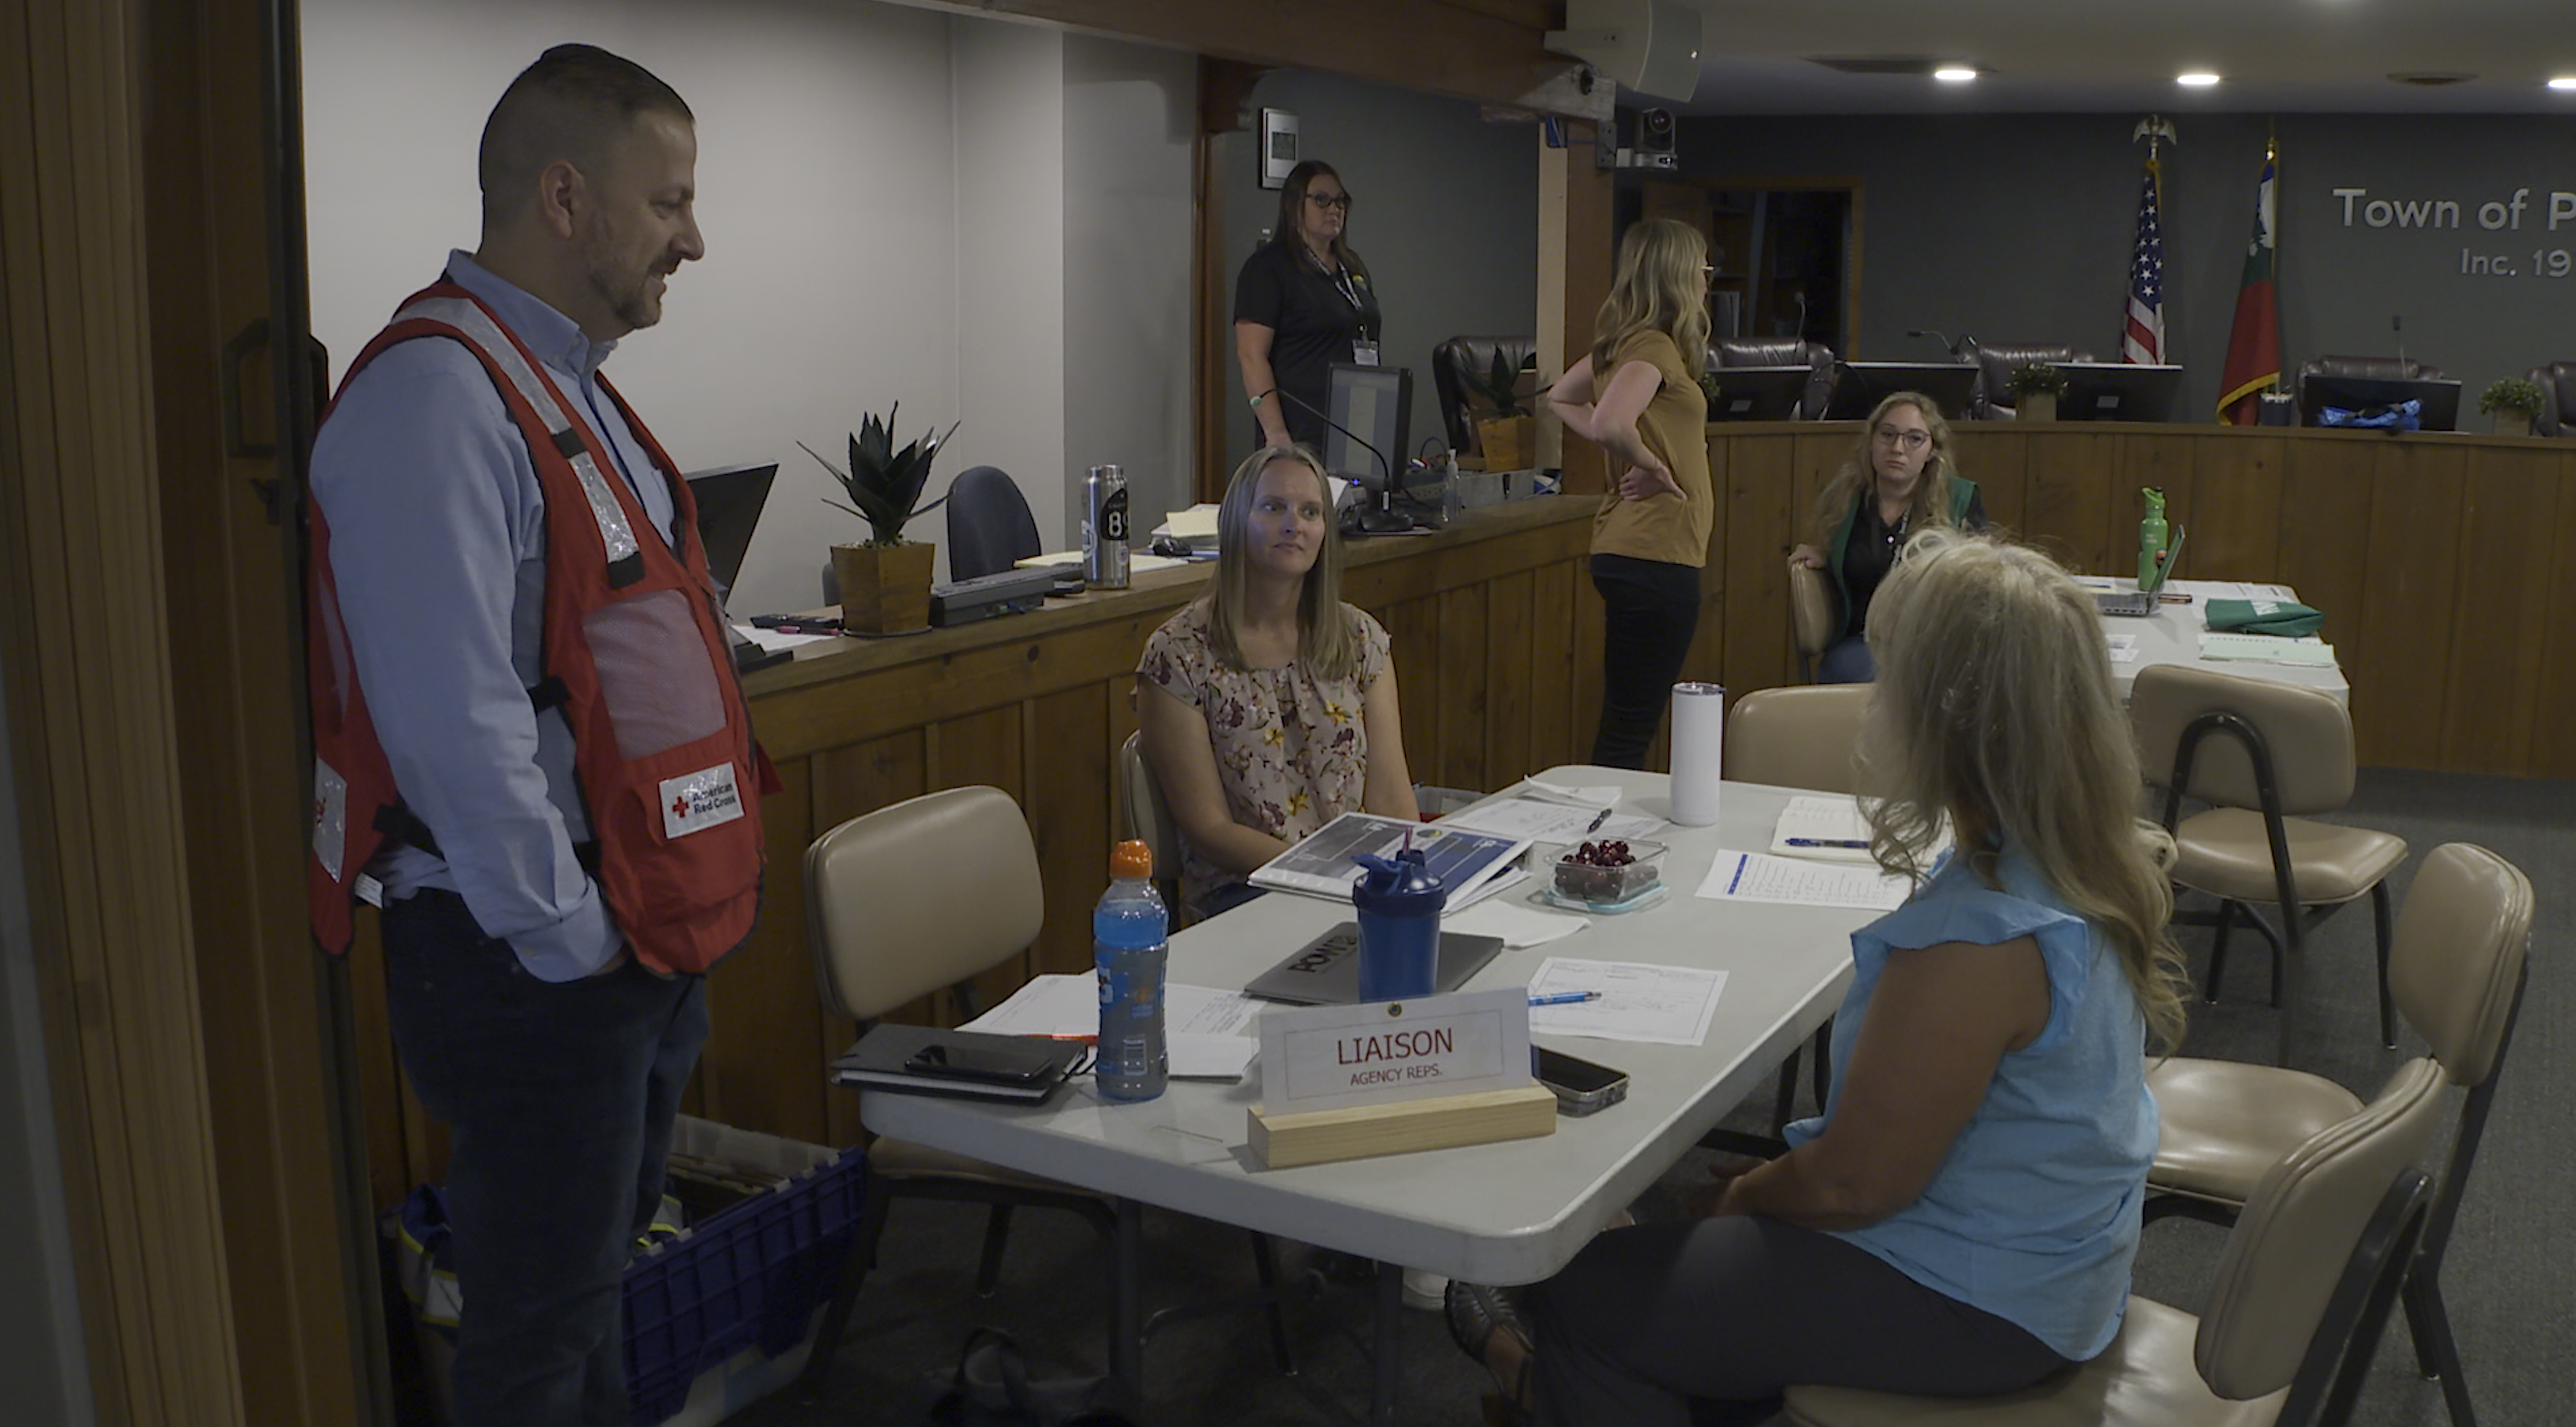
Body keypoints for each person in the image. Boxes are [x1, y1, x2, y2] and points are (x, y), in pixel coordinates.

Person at [1450, 530, 2192, 1427]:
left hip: (1981, 1300)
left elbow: (1852, 1189)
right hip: (2055, 1262)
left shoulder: (1983, 938)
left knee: (1583, 1284)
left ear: (1943, 717)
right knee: (1680, 1259)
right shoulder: (2082, 859)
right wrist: (1774, 1188)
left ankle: (1533, 1381)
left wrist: (1738, 1197)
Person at [305, 45, 764, 1425]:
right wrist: (573, 941)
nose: (694, 238)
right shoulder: (433, 403)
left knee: (598, 1294)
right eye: (668, 201)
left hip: (628, 936)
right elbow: (454, 727)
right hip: (535, 955)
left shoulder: (566, 385)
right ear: (566, 197)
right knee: (536, 1336)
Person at [1136, 445, 1419, 923]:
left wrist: (1404, 878)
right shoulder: (1178, 653)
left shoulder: (1359, 638)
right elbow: (1209, 829)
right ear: (1236, 522)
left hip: (1359, 882)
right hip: (1247, 892)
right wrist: (1324, 873)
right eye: (1273, 507)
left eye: (1310, 512)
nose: (1294, 525)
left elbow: (1392, 799)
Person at [1546, 218, 1713, 769]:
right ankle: (1603, 826)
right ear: (1677, 276)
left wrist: (1639, 452)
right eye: (1701, 268)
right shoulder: (1653, 349)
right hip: (1655, 553)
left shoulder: (1623, 345)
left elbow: (1563, 398)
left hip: (1635, 550)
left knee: (1627, 722)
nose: (1707, 278)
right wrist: (1652, 463)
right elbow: (1610, 422)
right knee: (1628, 731)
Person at [1790, 390, 1987, 682]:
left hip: (1935, 642)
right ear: (1871, 441)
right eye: (1887, 435)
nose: (1897, 448)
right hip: (1865, 641)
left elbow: (1984, 576)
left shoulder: (1960, 499)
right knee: (1848, 669)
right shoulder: (1848, 499)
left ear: (1932, 450)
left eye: (1914, 438)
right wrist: (1827, 556)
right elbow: (1850, 567)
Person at [1234, 161, 1383, 452]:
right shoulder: (1268, 267)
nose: (1334, 209)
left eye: (1340, 200)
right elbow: (1251, 356)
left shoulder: (1351, 266)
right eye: (1321, 200)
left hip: (1356, 424)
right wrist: (1276, 434)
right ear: (1294, 205)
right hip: (1300, 428)